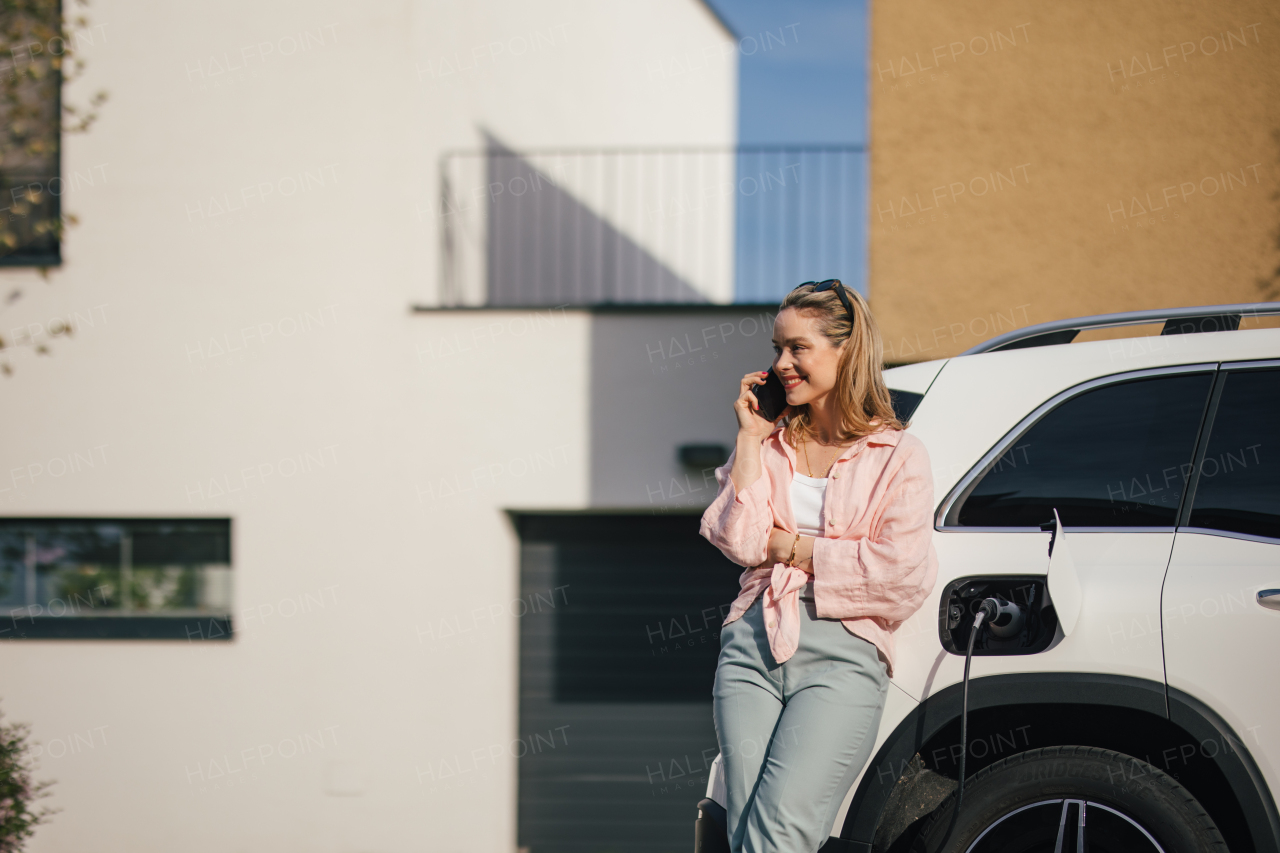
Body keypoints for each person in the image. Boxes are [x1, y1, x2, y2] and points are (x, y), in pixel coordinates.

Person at [699, 280, 938, 853]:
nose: (781, 363)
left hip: (842, 656)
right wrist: (752, 438)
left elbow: (900, 576)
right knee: (744, 832)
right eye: (777, 348)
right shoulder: (772, 443)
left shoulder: (898, 456)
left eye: (797, 348)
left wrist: (792, 548)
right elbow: (737, 536)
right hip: (752, 647)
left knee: (780, 832)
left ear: (846, 350)